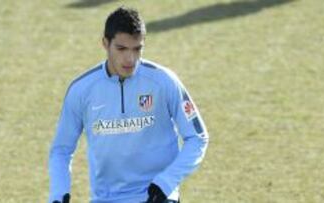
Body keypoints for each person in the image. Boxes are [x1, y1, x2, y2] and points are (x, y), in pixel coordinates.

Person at [48, 6, 209, 203]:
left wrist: (166, 182)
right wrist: (58, 195)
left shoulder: (164, 82)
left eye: (137, 49)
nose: (130, 59)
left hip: (158, 198)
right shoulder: (82, 89)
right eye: (122, 49)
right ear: (105, 44)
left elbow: (198, 137)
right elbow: (61, 150)